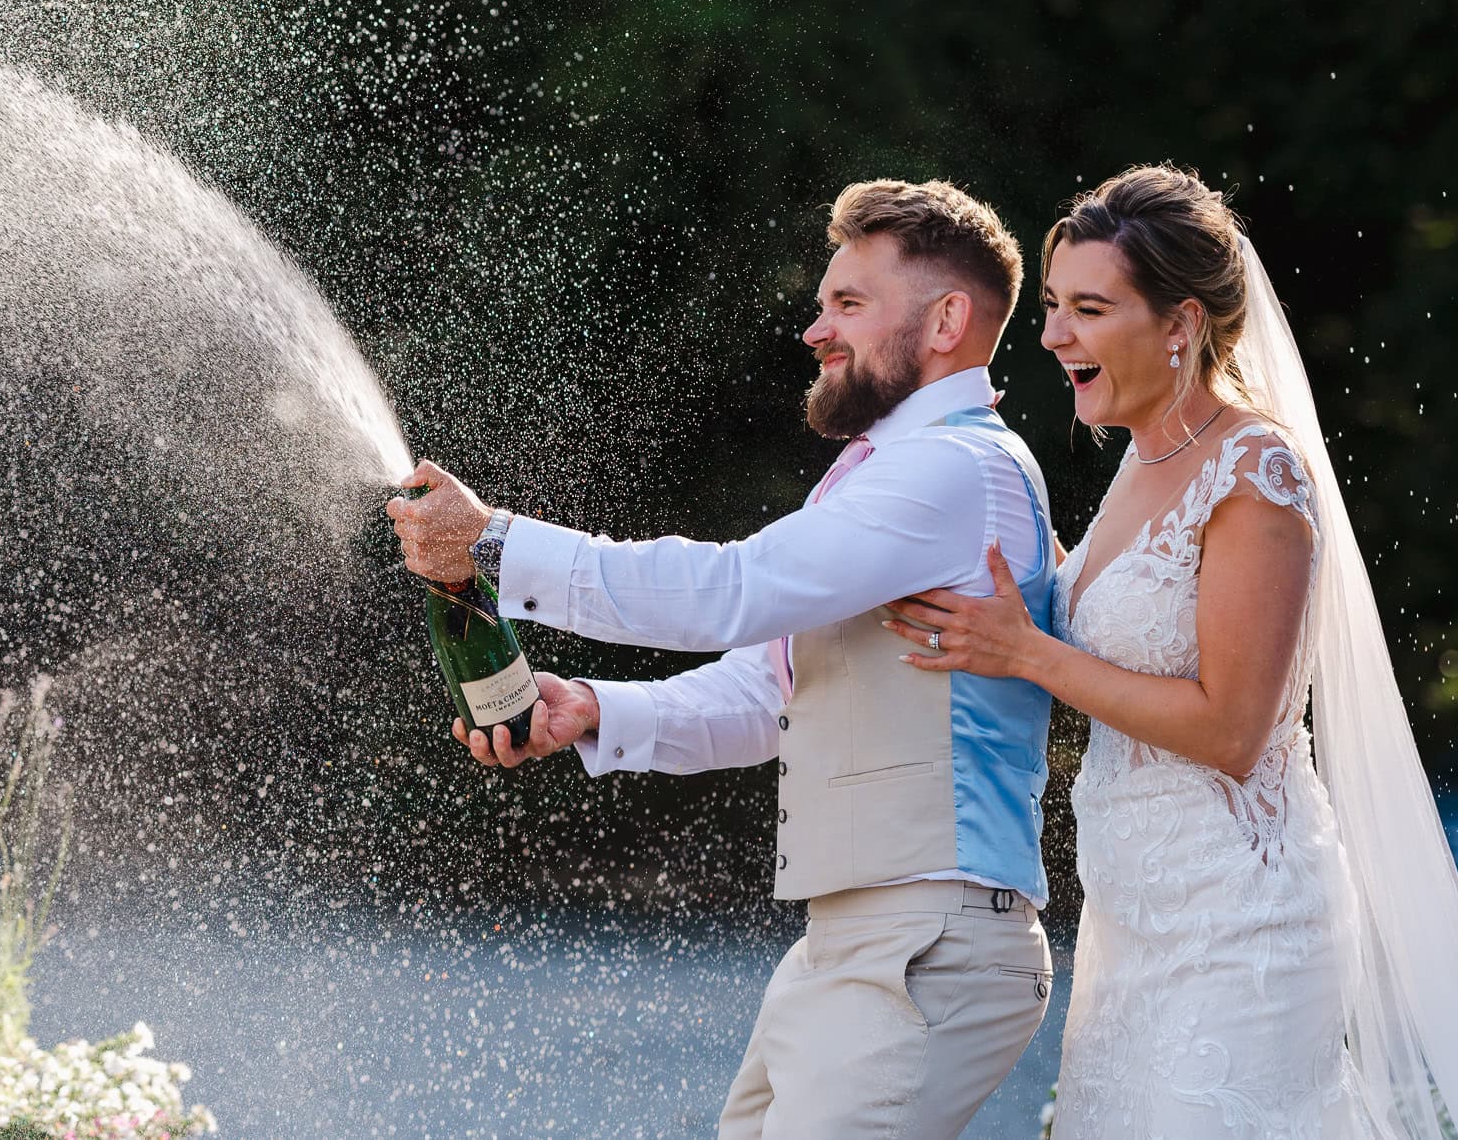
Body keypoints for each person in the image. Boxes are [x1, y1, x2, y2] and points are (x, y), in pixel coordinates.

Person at [886, 165, 1458, 1139]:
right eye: (1054, 306)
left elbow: (1234, 728)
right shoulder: (1141, 457)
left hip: (1241, 922)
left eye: (1088, 309)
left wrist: (1026, 653)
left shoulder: (1254, 471)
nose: (1053, 334)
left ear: (1180, 324)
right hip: (1132, 918)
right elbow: (1111, 618)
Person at [388, 179, 1060, 1139]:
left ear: (947, 320)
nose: (816, 330)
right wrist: (595, 709)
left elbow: (734, 589)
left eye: (849, 303)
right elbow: (767, 686)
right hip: (855, 940)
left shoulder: (954, 469)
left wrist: (494, 539)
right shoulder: (891, 473)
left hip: (926, 944)